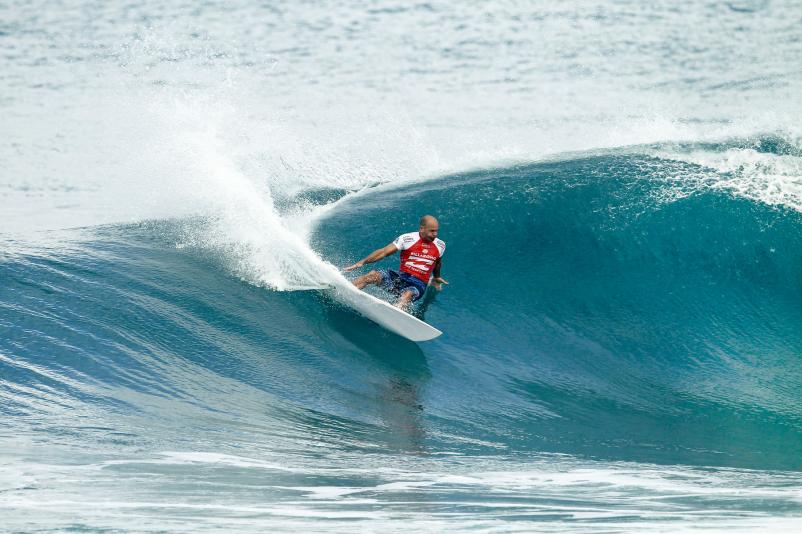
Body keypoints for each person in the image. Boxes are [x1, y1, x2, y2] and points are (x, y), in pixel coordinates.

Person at [343, 215, 448, 310]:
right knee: (372, 275)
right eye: (432, 231)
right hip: (400, 277)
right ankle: (343, 290)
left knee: (407, 294)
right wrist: (362, 262)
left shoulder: (440, 245)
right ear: (422, 229)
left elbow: (437, 262)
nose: (435, 234)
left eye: (436, 231)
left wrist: (436, 277)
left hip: (418, 284)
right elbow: (383, 252)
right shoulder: (407, 239)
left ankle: (395, 313)